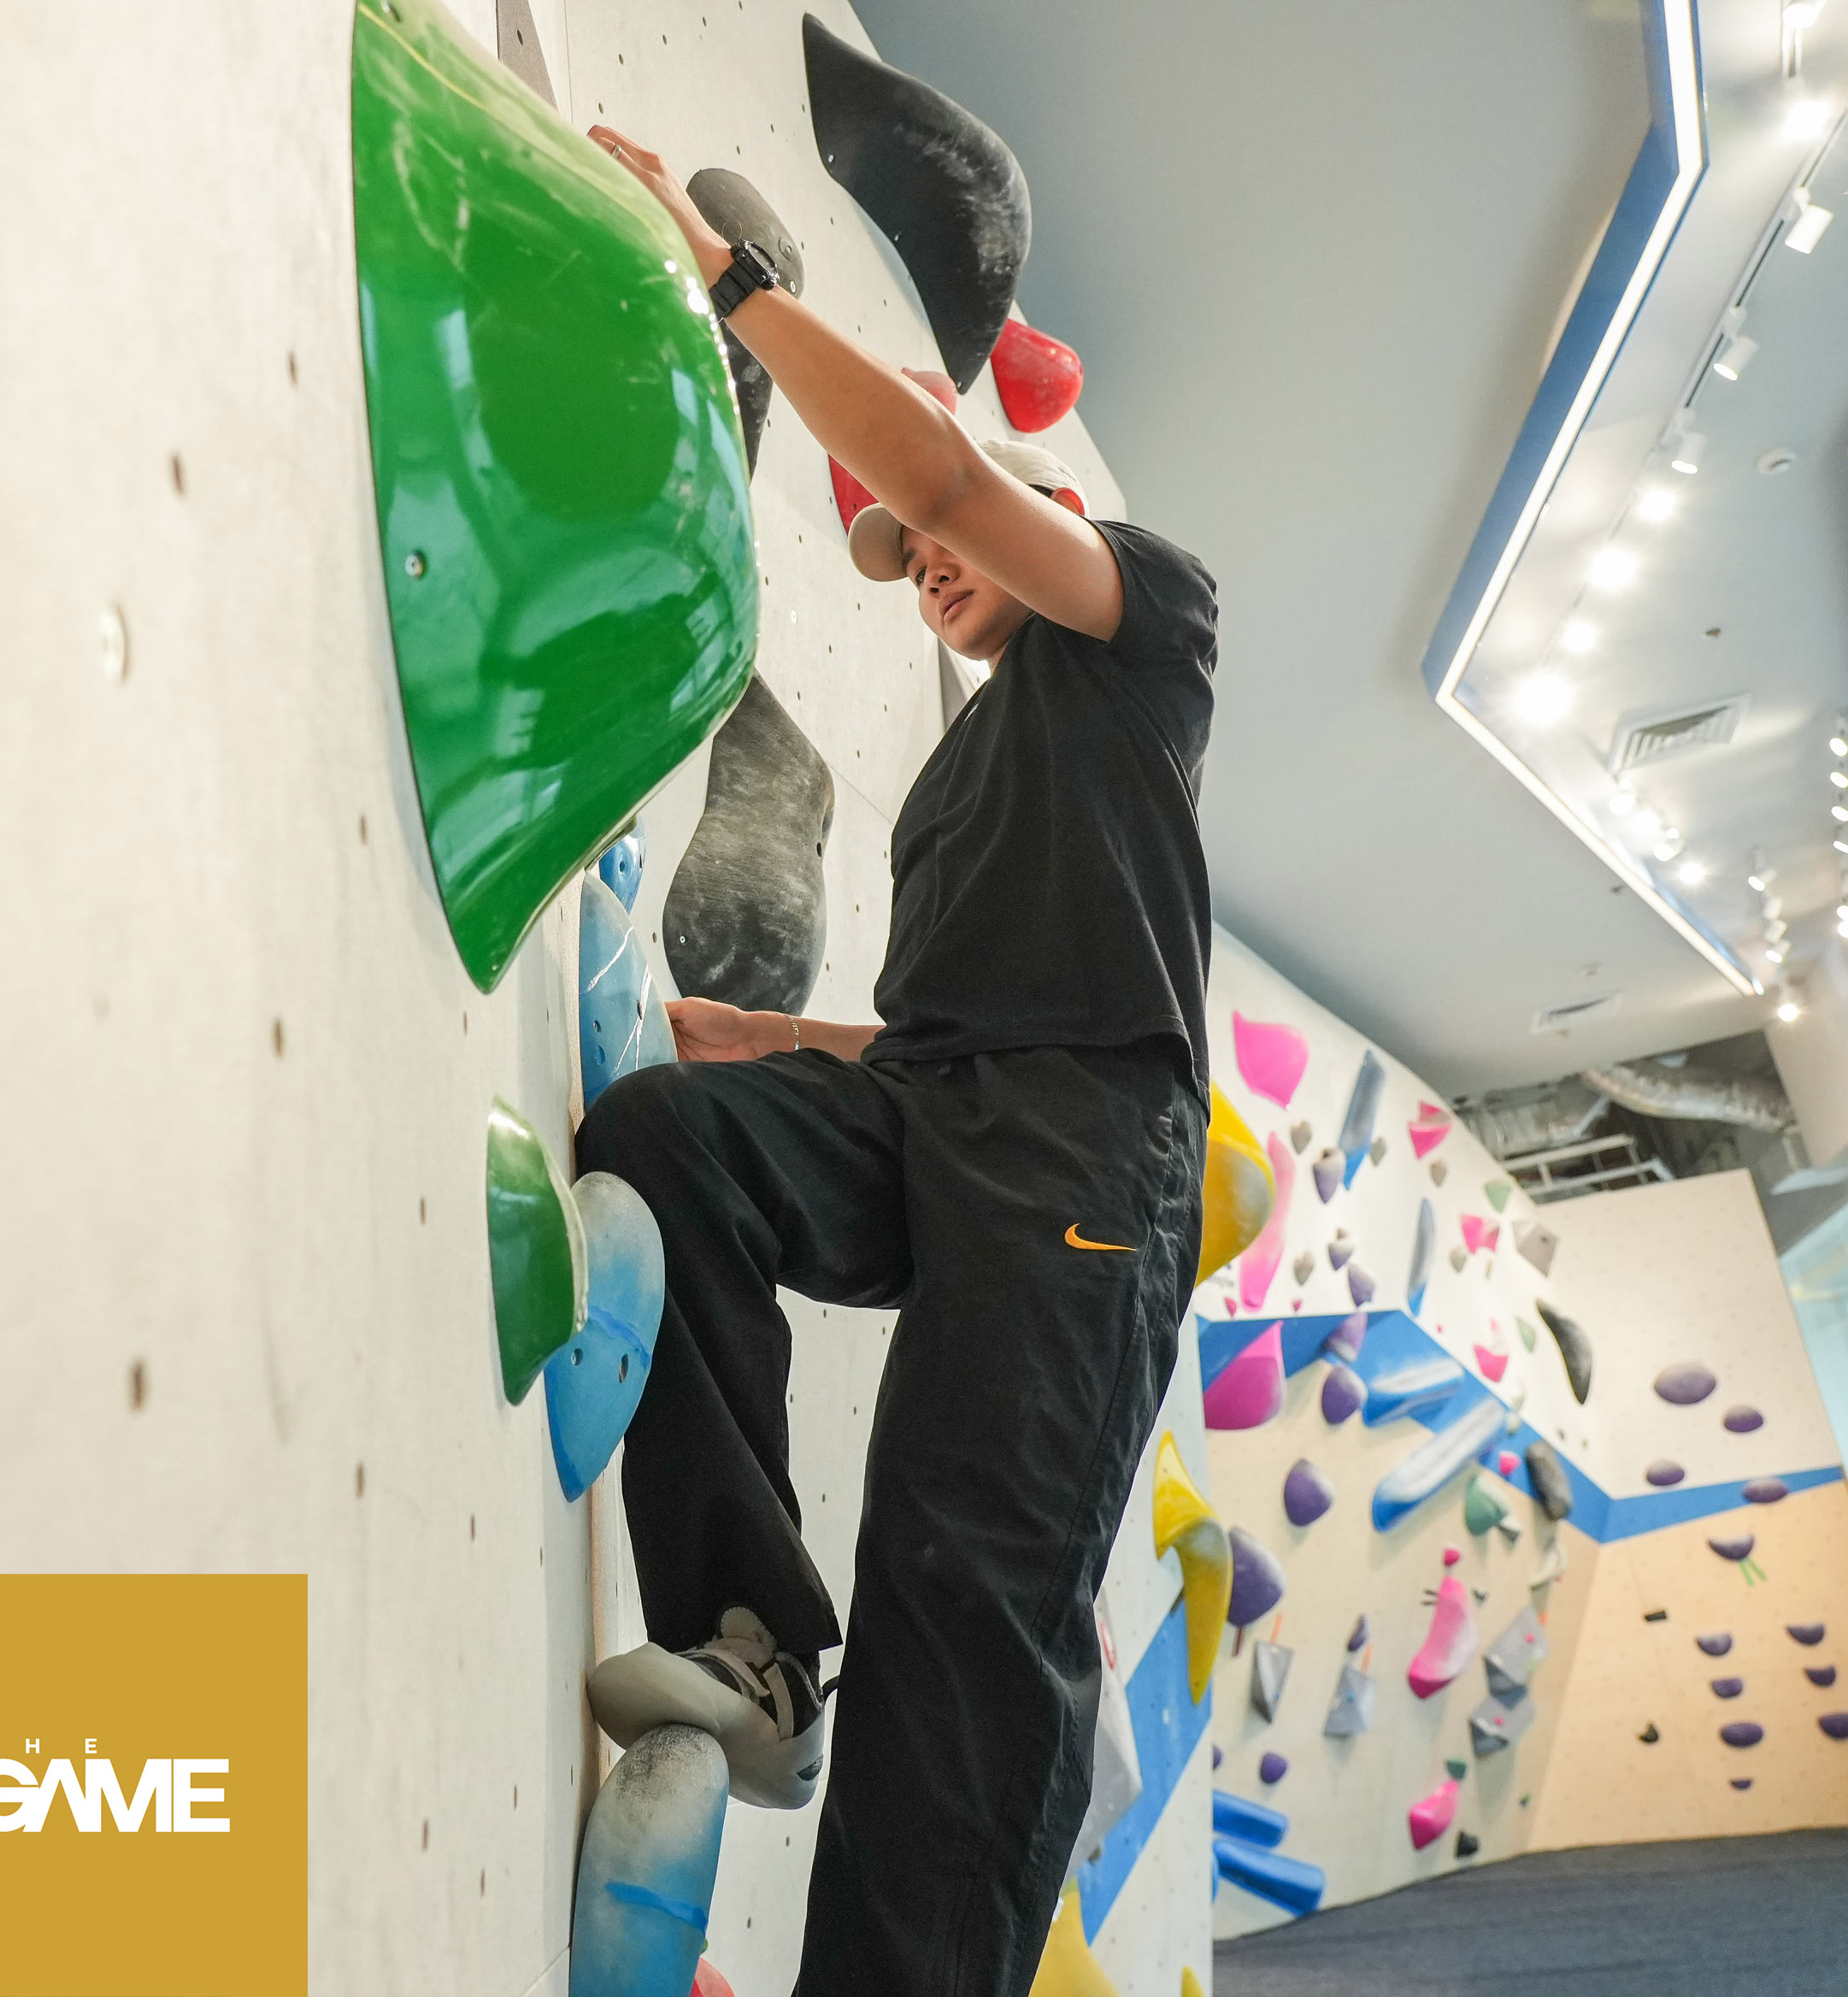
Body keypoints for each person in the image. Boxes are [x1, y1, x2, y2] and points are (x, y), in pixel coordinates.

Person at [576, 126, 1217, 1997]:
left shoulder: (1147, 626)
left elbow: (942, 463)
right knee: (670, 1139)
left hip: (1090, 1164)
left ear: (1035, 525)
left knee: (966, 1593)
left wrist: (734, 279)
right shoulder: (960, 791)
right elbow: (942, 1034)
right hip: (950, 1112)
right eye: (906, 554)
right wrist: (745, 1038)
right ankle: (759, 1648)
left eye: (947, 535)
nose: (922, 556)